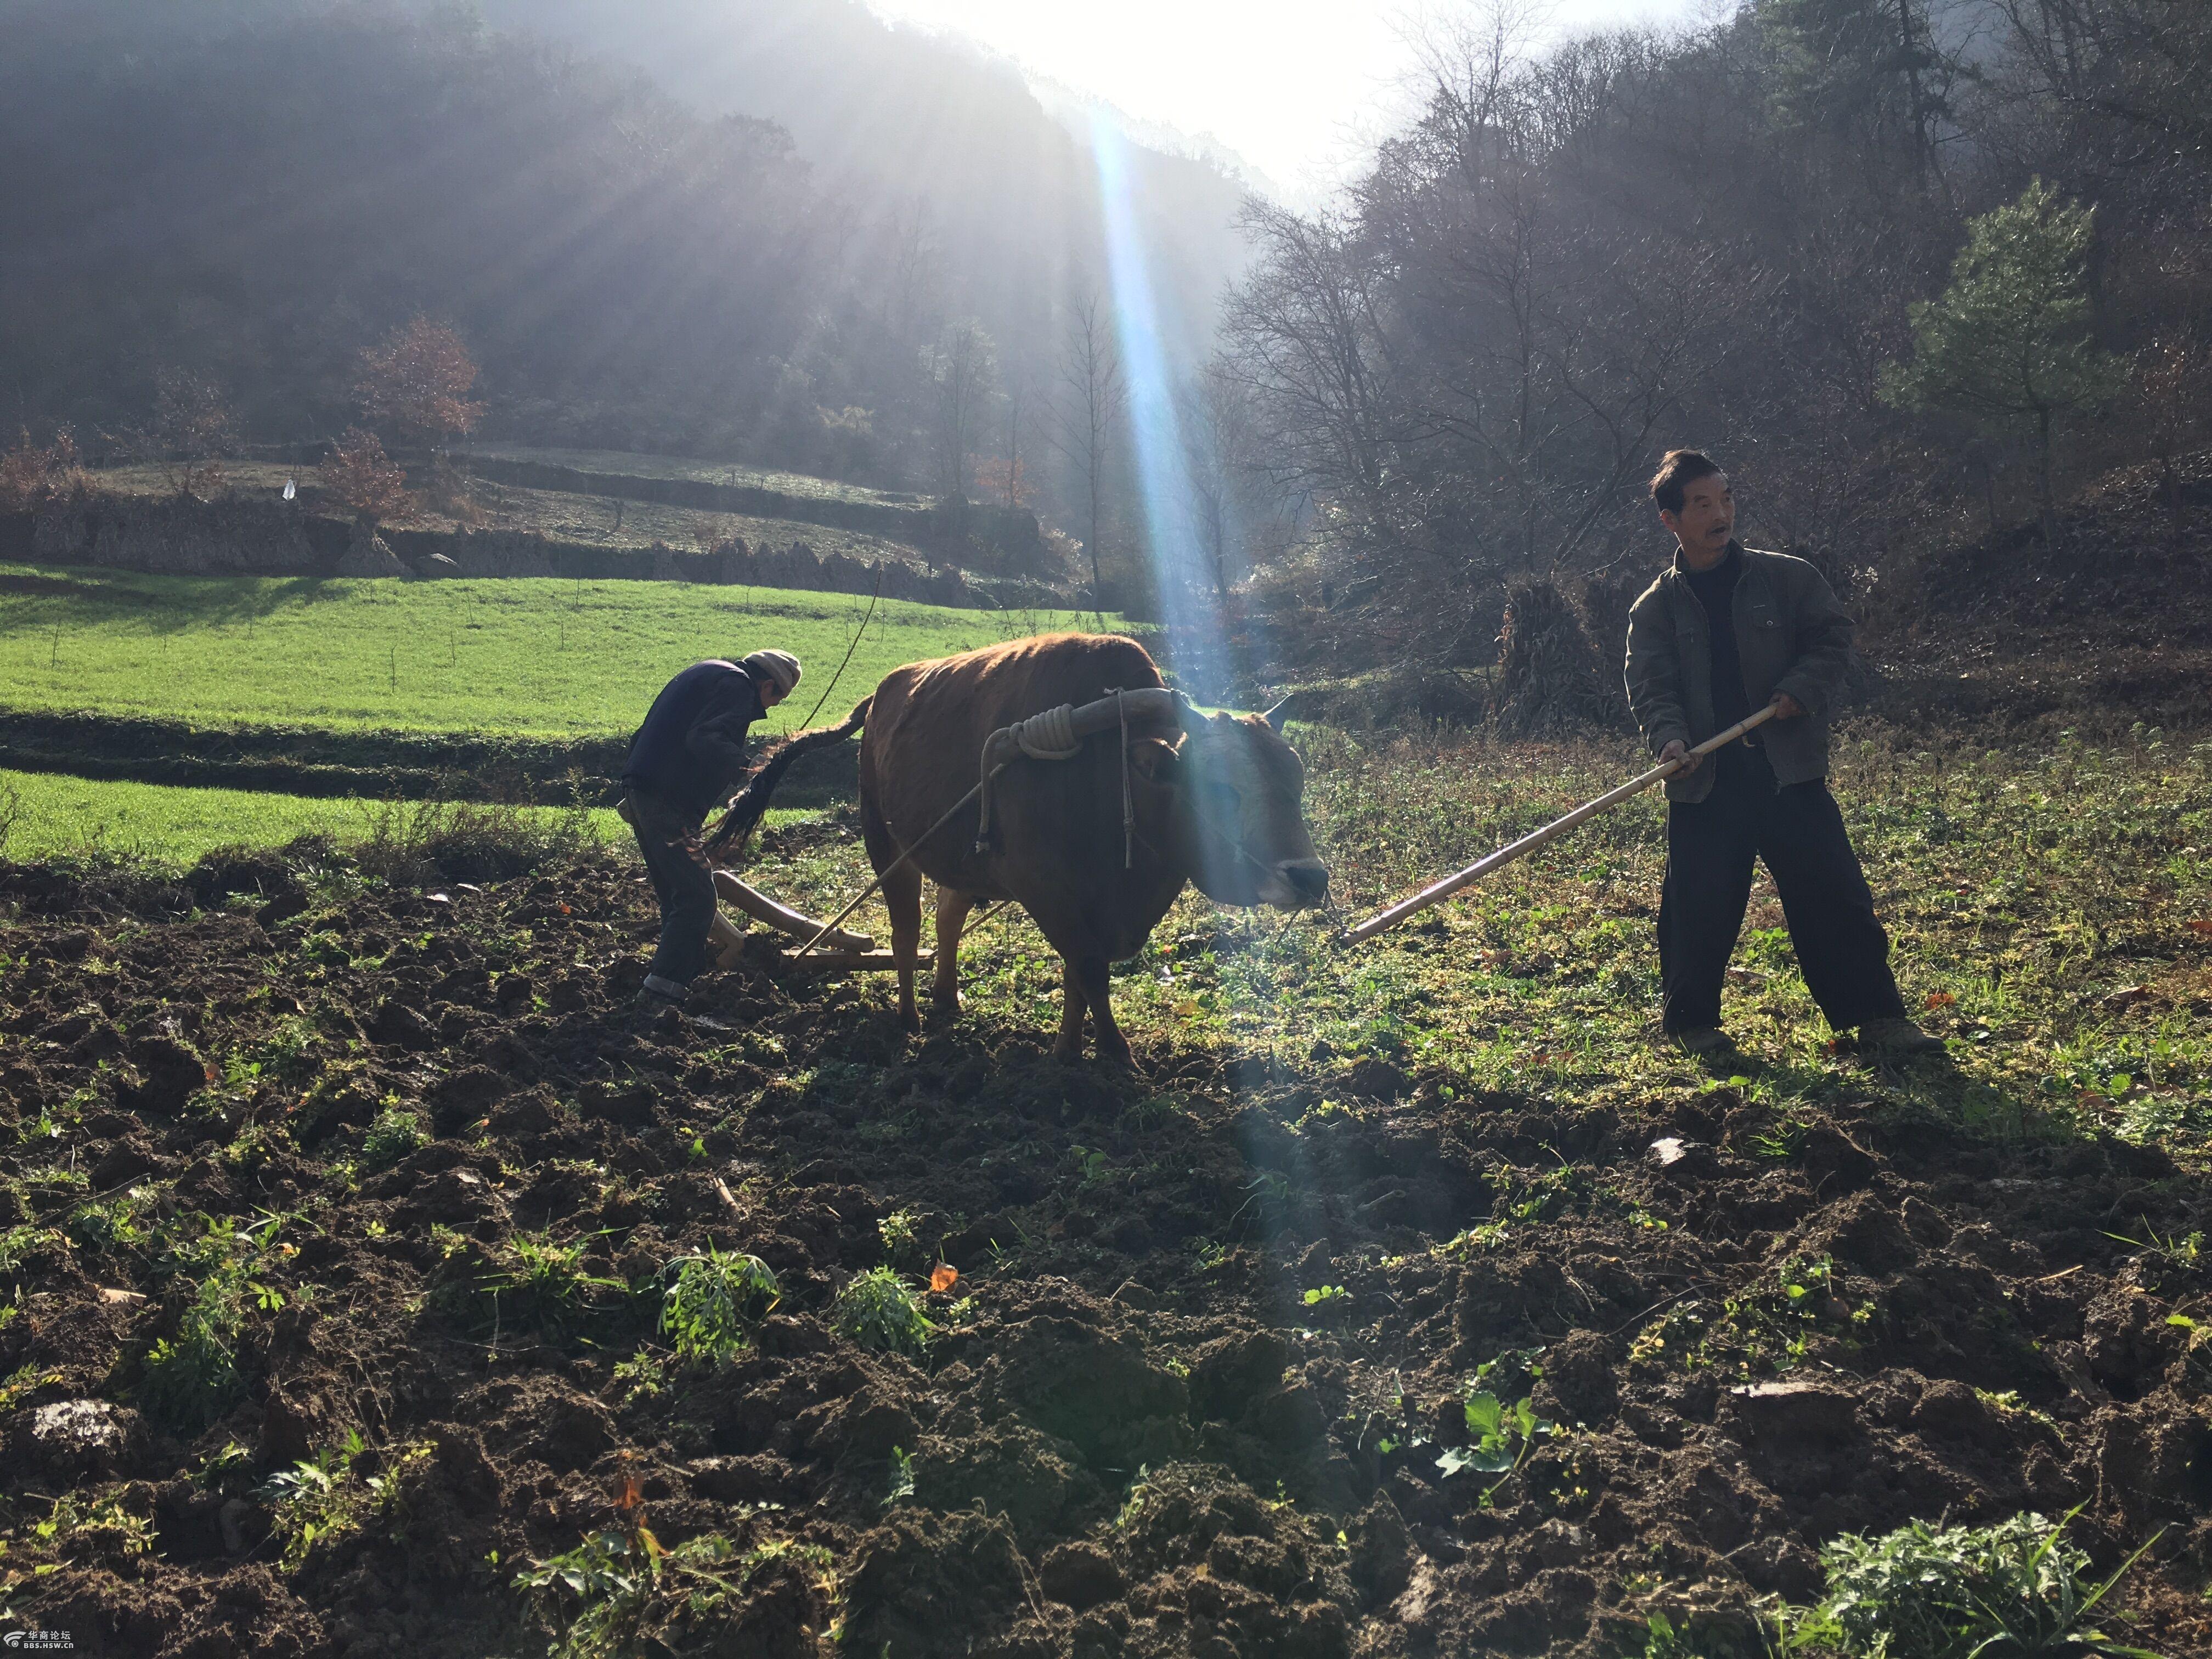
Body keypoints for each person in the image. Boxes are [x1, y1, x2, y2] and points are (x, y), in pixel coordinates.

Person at [1624, 450, 1940, 1059]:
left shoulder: (1788, 579)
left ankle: (1877, 1020)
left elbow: (1832, 638)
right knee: (1698, 904)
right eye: (1702, 504)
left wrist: (1802, 687)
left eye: (1726, 498)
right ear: (1671, 521)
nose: (1721, 514)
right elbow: (1652, 689)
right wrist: (1670, 739)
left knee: (1834, 894)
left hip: (1786, 769)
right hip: (1706, 779)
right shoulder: (1654, 610)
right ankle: (1693, 1027)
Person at [620, 650, 802, 1015]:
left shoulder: (706, 672)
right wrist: (748, 767)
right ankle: (661, 996)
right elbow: (705, 737)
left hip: (644, 791)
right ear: (768, 685)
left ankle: (671, 979)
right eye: (775, 700)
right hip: (667, 802)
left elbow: (653, 730)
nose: (770, 708)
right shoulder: (737, 687)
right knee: (698, 897)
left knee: (677, 896)